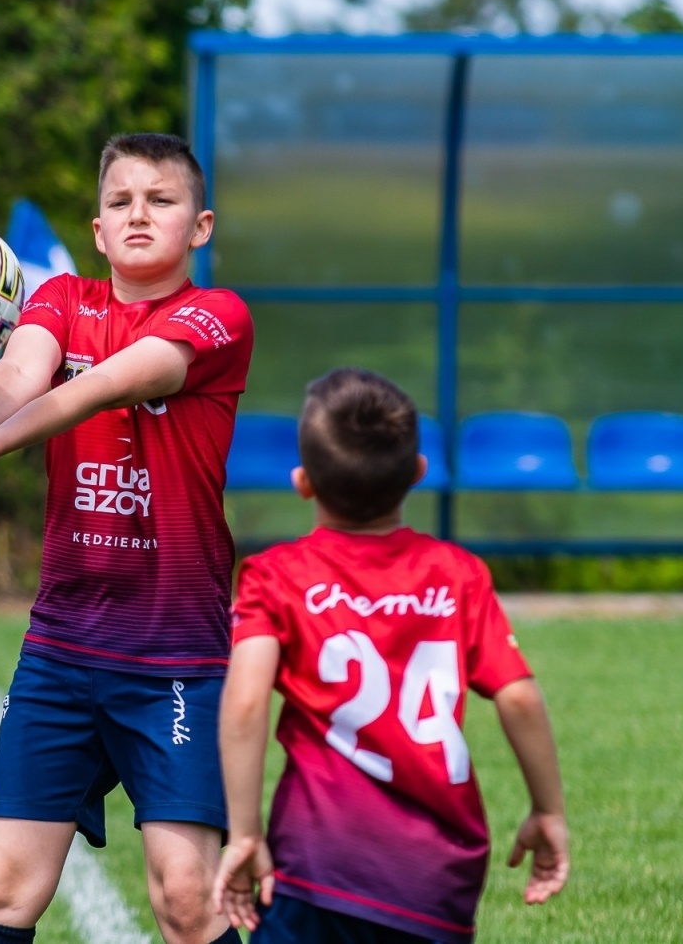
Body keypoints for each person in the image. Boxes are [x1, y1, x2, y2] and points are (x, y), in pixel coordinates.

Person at [0, 133, 254, 944]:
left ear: (200, 226)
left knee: (185, 899)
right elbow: (12, 375)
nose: (139, 213)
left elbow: (106, 385)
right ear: (99, 229)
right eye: (120, 201)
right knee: (2, 890)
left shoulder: (218, 316)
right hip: (63, 651)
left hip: (174, 658)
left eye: (161, 199)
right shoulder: (62, 298)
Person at [213, 368, 569, 943]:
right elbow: (520, 697)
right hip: (436, 878)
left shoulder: (276, 576)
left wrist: (246, 832)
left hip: (318, 863)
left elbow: (247, 700)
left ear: (303, 482)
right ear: (419, 474)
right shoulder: (460, 575)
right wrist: (548, 810)